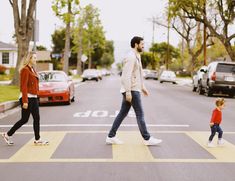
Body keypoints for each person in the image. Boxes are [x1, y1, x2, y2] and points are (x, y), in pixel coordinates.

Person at [106, 36, 162, 146]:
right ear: (136, 44)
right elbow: (126, 75)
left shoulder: (137, 56)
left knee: (123, 113)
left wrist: (143, 87)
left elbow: (137, 74)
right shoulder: (131, 57)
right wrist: (127, 92)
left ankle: (110, 136)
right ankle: (147, 138)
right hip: (131, 90)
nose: (143, 46)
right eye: (142, 44)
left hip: (134, 88)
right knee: (140, 114)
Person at [2, 52, 49, 146]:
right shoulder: (25, 70)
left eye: (36, 58)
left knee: (36, 118)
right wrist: (25, 101)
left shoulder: (32, 69)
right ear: (29, 59)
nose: (36, 59)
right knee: (24, 119)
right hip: (27, 98)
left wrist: (36, 95)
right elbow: (23, 87)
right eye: (34, 58)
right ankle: (7, 134)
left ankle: (37, 139)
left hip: (33, 97)